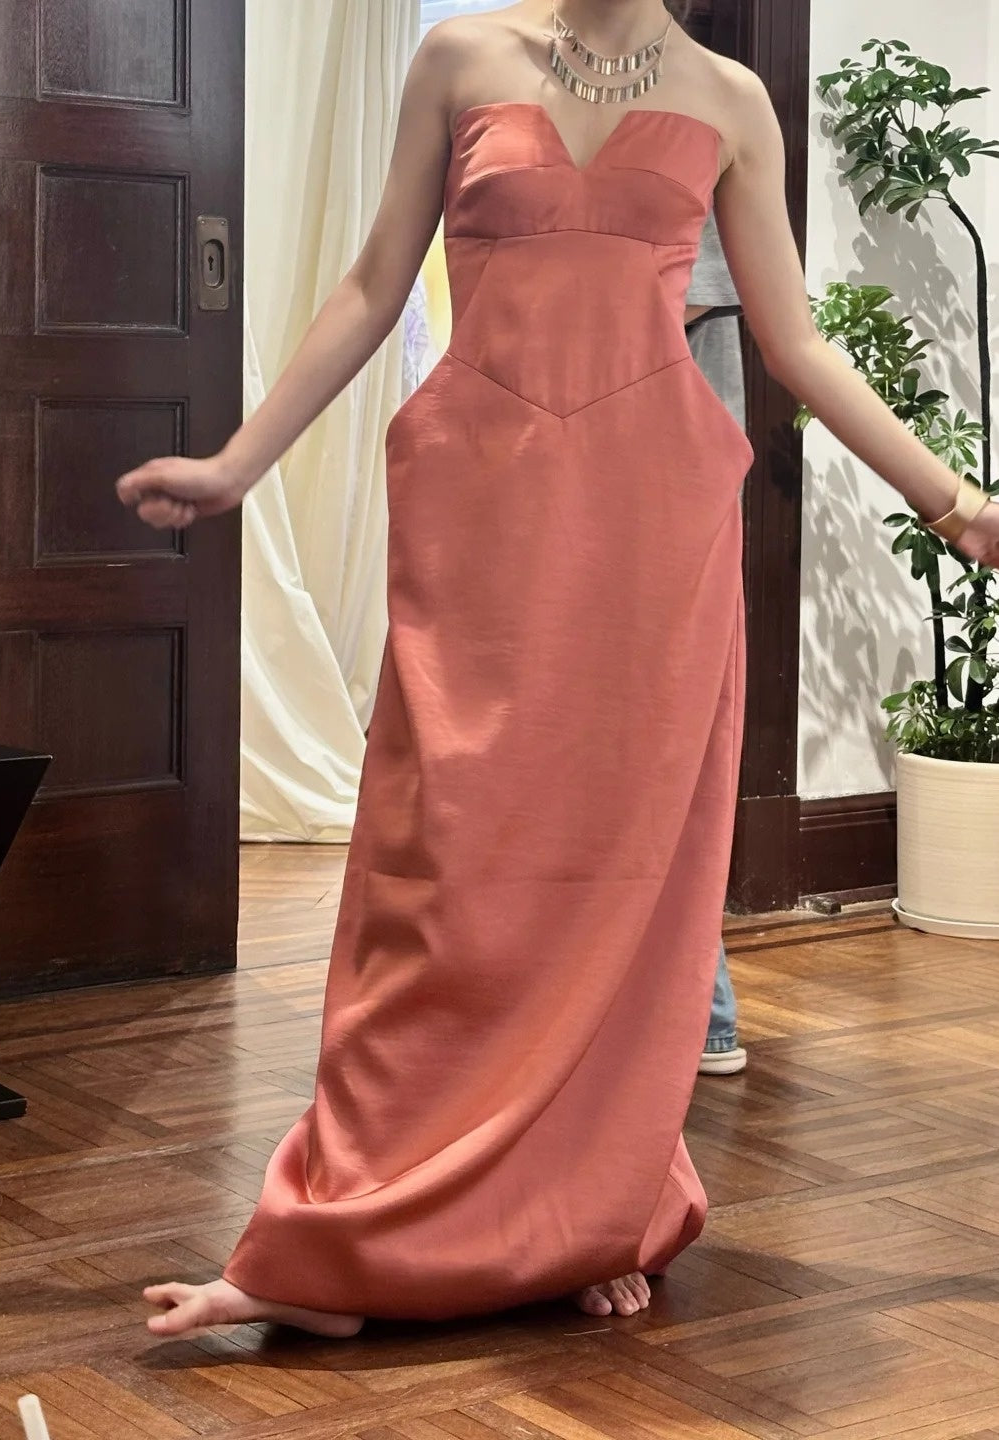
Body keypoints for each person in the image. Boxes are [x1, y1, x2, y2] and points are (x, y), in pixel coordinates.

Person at [117, 0, 999, 1335]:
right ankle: (345, 1229)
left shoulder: (728, 99)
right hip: (480, 503)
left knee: (622, 877)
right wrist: (239, 464)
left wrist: (956, 505)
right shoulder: (460, 58)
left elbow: (796, 342)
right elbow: (372, 288)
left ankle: (586, 1206)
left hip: (652, 524)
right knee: (437, 863)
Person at [685, 213, 748, 1078]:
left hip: (663, 471)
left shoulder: (704, 139)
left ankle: (702, 1011)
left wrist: (955, 507)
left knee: (668, 742)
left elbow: (686, 302)